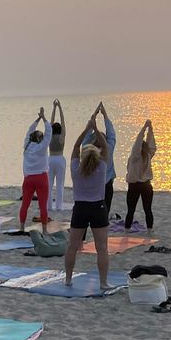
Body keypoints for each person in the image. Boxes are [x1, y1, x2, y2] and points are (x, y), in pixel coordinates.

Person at [65, 112, 111, 287]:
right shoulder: (102, 168)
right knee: (102, 248)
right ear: (97, 157)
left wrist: (86, 130)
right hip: (98, 208)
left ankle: (68, 279)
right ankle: (103, 282)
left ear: (83, 157)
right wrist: (96, 129)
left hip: (80, 209)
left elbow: (76, 147)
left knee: (72, 247)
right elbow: (105, 147)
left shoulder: (76, 168)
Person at [18, 108, 51, 233]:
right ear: (40, 139)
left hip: (28, 179)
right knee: (43, 205)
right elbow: (49, 132)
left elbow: (29, 131)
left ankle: (21, 226)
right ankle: (44, 229)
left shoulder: (26, 146)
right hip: (41, 178)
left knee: (25, 204)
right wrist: (44, 118)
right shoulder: (42, 147)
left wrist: (38, 119)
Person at [84, 101, 118, 216]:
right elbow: (112, 134)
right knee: (105, 212)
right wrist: (105, 115)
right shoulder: (108, 149)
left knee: (92, 210)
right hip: (107, 184)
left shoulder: (88, 151)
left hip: (92, 185)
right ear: (105, 141)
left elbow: (85, 138)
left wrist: (93, 119)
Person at [124, 120, 157, 231]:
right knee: (147, 209)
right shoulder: (147, 155)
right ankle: (149, 230)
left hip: (135, 186)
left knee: (131, 210)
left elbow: (139, 143)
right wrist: (149, 129)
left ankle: (127, 230)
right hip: (146, 186)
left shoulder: (135, 157)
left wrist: (145, 128)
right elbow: (151, 144)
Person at [47, 100, 67, 212]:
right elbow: (63, 122)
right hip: (60, 159)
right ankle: (59, 207)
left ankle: (49, 206)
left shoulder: (49, 136)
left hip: (50, 159)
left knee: (49, 184)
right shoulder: (61, 137)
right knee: (60, 184)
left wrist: (54, 108)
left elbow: (50, 123)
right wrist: (60, 107)